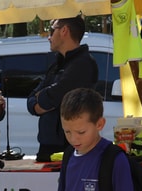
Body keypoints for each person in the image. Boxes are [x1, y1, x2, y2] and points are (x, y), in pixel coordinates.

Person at [27, 16, 98, 162]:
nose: (48, 36)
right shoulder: (57, 64)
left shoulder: (83, 64)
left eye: (51, 30)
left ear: (64, 30)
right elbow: (31, 100)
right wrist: (42, 99)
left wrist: (43, 98)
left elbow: (53, 97)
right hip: (48, 145)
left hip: (70, 145)